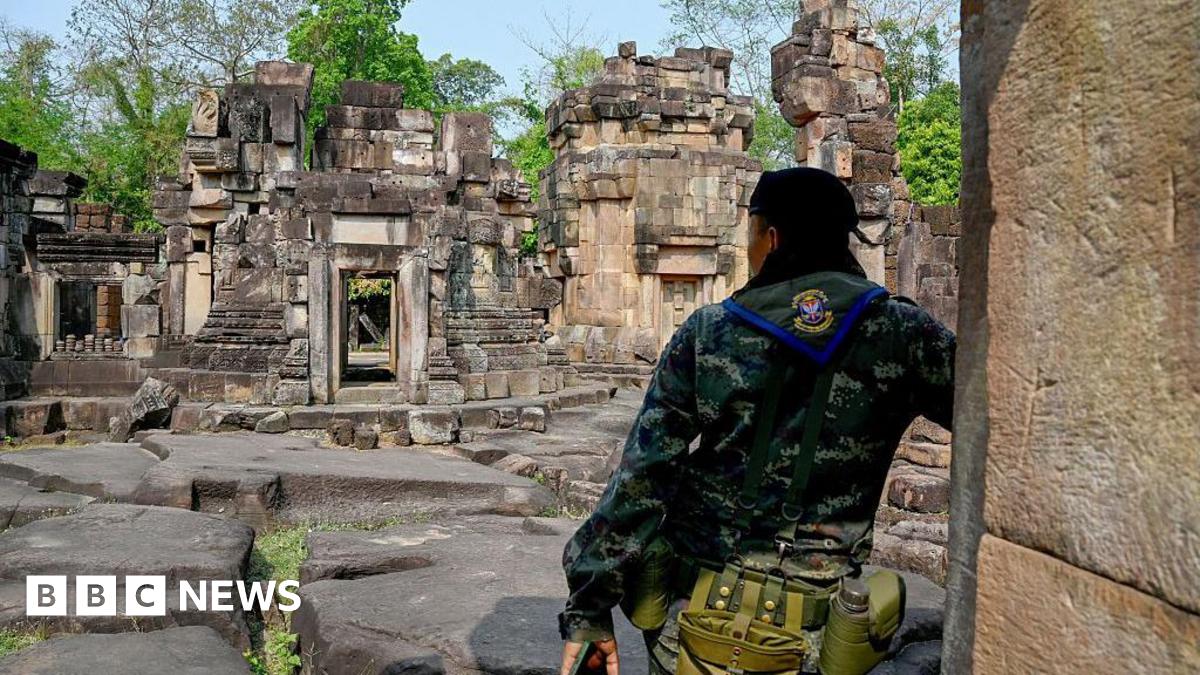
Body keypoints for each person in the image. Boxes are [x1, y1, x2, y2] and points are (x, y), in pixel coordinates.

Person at [557, 167, 955, 675]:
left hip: (695, 622)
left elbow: (643, 479)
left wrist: (589, 605)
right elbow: (1002, 427)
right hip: (823, 636)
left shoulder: (710, 332)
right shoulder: (903, 333)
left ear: (771, 238)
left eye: (748, 237)